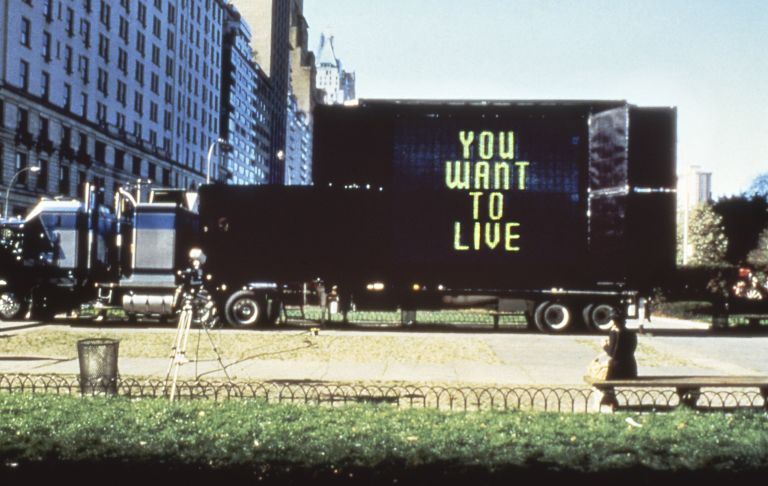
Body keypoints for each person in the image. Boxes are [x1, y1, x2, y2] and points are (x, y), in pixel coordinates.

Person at [602, 312, 638, 379]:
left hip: (618, 371)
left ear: (613, 322)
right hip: (631, 370)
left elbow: (612, 353)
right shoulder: (632, 334)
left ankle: (608, 389)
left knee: (601, 376)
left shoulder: (614, 333)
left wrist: (604, 346)